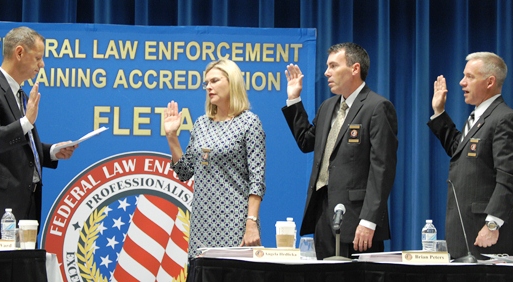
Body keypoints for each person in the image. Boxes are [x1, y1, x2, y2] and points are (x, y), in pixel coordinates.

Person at [282, 42, 398, 259]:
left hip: (358, 220)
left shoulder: (377, 107)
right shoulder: (328, 107)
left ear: (354, 68)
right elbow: (307, 142)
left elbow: (382, 169)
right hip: (324, 215)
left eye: (333, 66)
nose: (327, 72)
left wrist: (369, 219)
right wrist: (293, 99)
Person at [0, 26, 78, 239]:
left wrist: (52, 151)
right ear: (19, 53)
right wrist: (25, 122)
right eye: (38, 58)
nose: (41, 65)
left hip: (23, 208)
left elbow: (18, 147)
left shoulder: (19, 93)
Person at [428, 52, 513, 260]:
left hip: (486, 234)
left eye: (470, 77)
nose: (462, 82)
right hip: (464, 232)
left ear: (490, 81)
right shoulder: (478, 117)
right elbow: (459, 150)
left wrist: (492, 223)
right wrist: (439, 112)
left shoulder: (505, 119)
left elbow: (510, 177)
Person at [164, 59, 266, 258]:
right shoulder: (201, 124)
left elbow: (257, 180)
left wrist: (251, 221)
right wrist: (171, 137)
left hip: (235, 220)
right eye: (206, 83)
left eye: (214, 81)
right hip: (202, 222)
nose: (208, 87)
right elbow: (184, 172)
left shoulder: (249, 122)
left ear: (232, 82)